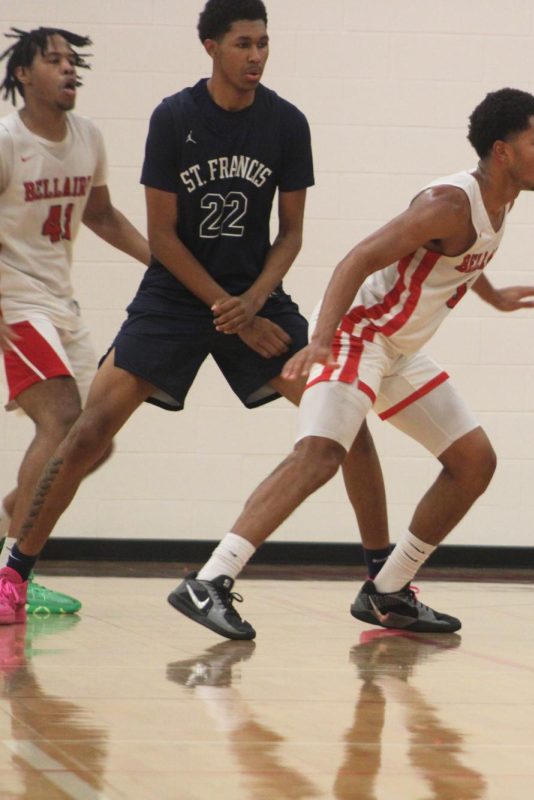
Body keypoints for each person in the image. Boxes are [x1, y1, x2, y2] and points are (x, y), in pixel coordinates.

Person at [0, 0, 391, 633]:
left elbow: (290, 233)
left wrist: (256, 299)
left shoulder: (287, 123)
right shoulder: (174, 117)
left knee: (345, 421)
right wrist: (226, 309)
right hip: (177, 298)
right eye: (243, 44)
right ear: (209, 45)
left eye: (263, 43)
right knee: (88, 431)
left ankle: (384, 579)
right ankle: (13, 575)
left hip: (255, 296)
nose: (256, 56)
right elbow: (163, 234)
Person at [169, 87, 534, 640]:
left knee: (475, 462)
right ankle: (210, 580)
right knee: (320, 455)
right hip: (362, 339)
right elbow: (358, 258)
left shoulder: (501, 198)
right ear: (503, 151)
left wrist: (492, 296)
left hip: (399, 353)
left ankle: (388, 591)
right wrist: (322, 339)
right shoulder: (447, 202)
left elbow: (462, 253)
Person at [0, 27, 150, 621]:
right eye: (54, 60)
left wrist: (163, 264)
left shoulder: (88, 137)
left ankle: (9, 533)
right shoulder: (7, 140)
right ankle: (14, 572)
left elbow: (102, 214)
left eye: (72, 60)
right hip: (14, 298)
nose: (69, 69)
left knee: (96, 439)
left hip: (63, 303)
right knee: (62, 421)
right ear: (22, 76)